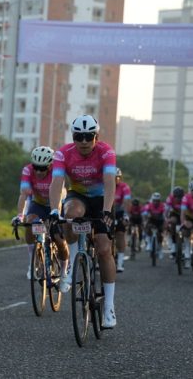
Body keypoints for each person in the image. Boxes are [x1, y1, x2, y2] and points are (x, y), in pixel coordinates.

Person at [48, 114, 119, 328]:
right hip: (78, 196)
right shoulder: (63, 153)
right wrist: (53, 210)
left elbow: (109, 183)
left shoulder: (106, 152)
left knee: (104, 249)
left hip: (100, 200)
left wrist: (106, 210)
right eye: (79, 136)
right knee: (69, 213)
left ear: (97, 136)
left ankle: (109, 307)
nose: (84, 141)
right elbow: (56, 182)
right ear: (73, 137)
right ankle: (69, 265)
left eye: (89, 136)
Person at [12, 146, 66, 279]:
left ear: (50, 165)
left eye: (43, 168)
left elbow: (59, 194)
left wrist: (55, 214)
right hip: (39, 203)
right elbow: (24, 194)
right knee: (29, 223)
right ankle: (33, 262)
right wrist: (20, 216)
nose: (38, 171)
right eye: (36, 167)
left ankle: (65, 270)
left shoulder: (56, 171)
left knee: (59, 239)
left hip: (58, 203)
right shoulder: (27, 170)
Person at [111, 168, 132, 272]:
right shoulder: (104, 184)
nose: (115, 179)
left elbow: (127, 201)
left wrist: (125, 215)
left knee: (120, 233)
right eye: (113, 177)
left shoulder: (124, 187)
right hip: (107, 212)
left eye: (117, 177)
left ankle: (120, 262)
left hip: (119, 212)